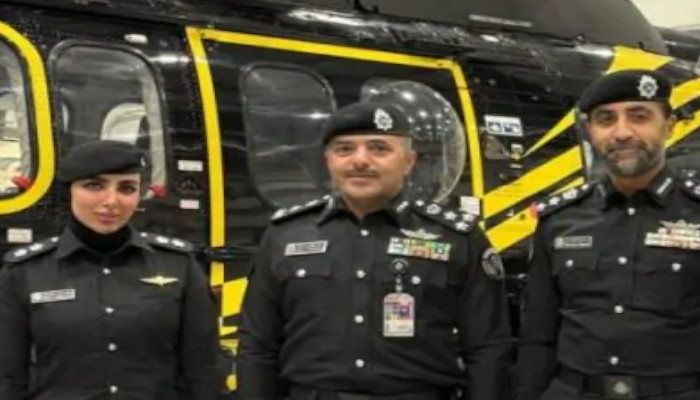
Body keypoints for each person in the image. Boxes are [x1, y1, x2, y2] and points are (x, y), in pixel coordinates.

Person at [237, 100, 512, 400]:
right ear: (328, 160)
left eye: (379, 149)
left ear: (409, 161)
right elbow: (257, 346)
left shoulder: (457, 239)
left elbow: (487, 350)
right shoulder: (284, 235)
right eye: (344, 149)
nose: (360, 161)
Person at [517, 69, 700, 400]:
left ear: (669, 125)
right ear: (589, 131)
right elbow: (537, 336)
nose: (622, 132)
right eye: (605, 120)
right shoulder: (560, 219)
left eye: (639, 117)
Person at [0, 140, 220, 400]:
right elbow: (8, 378)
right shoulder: (24, 273)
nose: (111, 201)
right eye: (94, 186)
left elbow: (203, 372)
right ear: (69, 190)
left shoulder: (179, 266)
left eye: (127, 188)